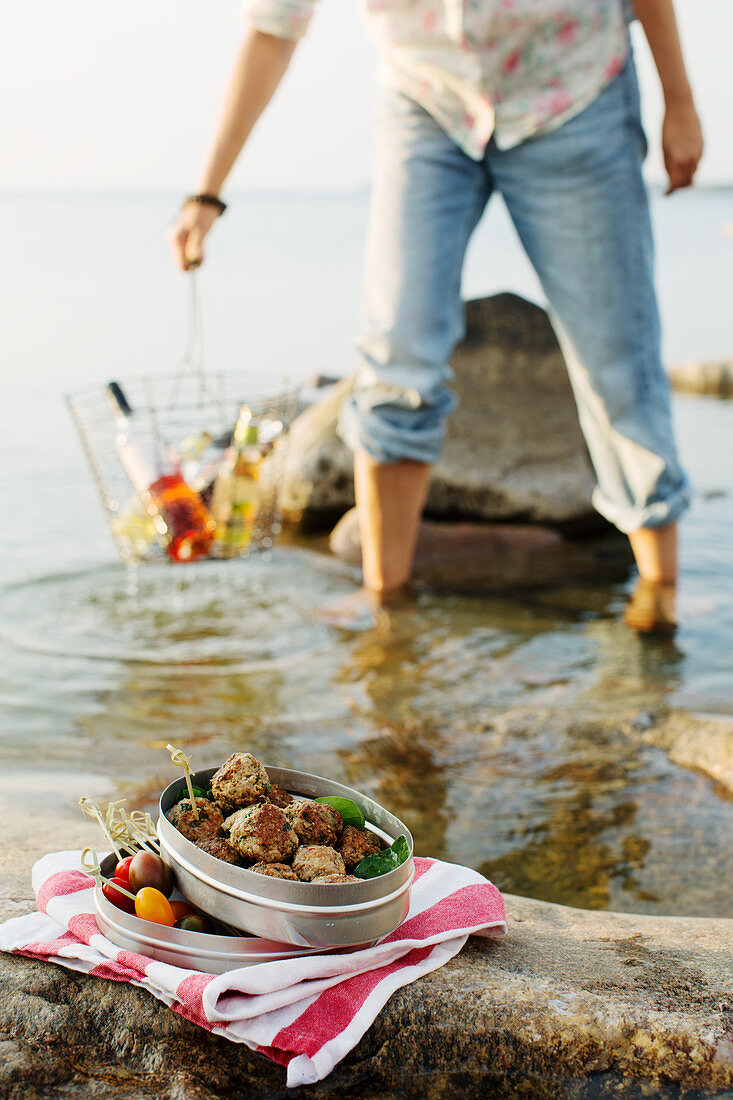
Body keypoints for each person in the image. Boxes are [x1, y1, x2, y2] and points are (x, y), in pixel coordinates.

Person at [169, 0, 703, 634]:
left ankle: (659, 589)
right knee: (397, 352)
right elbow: (273, 27)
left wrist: (680, 100)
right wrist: (208, 193)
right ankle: (385, 601)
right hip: (427, 99)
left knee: (615, 355)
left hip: (572, 89)